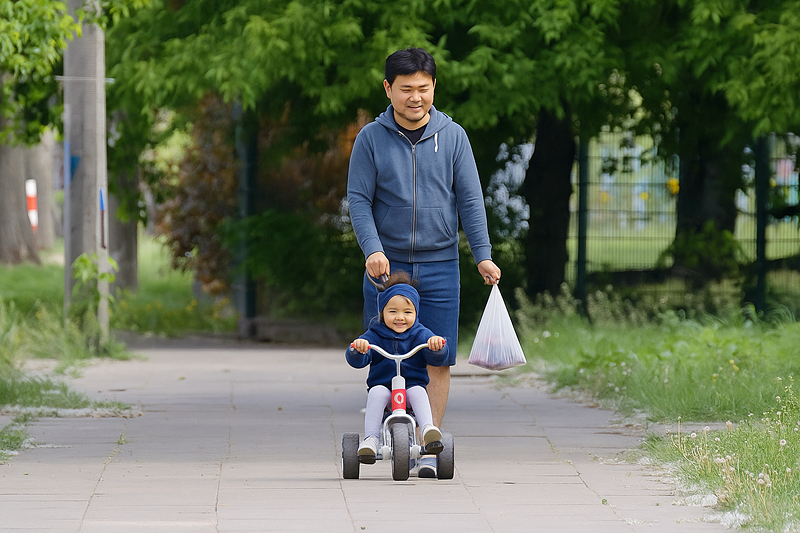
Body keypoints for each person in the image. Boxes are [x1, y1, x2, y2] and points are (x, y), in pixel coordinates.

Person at [347, 47, 501, 477]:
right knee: (383, 354)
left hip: (439, 265)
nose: (416, 97)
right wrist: (372, 249)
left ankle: (429, 446)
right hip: (386, 268)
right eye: (406, 89)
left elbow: (470, 199)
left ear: (434, 87)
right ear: (388, 89)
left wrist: (483, 255)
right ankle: (380, 436)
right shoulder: (370, 139)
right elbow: (358, 199)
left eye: (424, 88)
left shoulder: (453, 136)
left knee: (438, 355)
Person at [346, 273, 448, 463]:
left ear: (416, 313)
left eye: (407, 312)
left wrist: (436, 345)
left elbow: (436, 355)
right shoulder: (375, 333)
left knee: (418, 391)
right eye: (393, 312)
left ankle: (427, 429)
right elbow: (358, 359)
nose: (400, 318)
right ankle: (371, 438)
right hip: (384, 387)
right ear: (382, 313)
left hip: (411, 387)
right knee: (376, 393)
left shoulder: (420, 333)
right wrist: (358, 349)